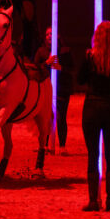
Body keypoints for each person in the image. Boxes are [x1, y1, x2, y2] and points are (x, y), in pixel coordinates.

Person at [77, 21, 110, 212]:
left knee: (93, 153)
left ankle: (93, 200)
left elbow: (80, 80)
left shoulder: (89, 57)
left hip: (92, 105)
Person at [34, 26, 75, 154]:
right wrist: (46, 63)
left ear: (58, 35)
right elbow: (34, 69)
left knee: (61, 117)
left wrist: (60, 67)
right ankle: (44, 145)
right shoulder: (41, 51)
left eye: (52, 33)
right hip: (46, 89)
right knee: (45, 117)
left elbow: (72, 69)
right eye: (47, 34)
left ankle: (62, 146)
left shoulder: (65, 51)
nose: (49, 36)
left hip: (62, 89)